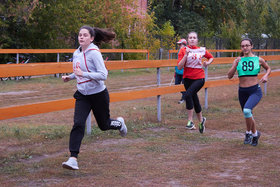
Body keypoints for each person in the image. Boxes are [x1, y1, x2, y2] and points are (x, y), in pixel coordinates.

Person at [61, 25, 127, 170]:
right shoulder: (76, 53)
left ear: (91, 38)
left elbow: (103, 75)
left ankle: (120, 124)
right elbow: (78, 70)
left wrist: (83, 74)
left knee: (104, 125)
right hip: (82, 95)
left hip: (98, 95)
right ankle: (73, 158)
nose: (81, 37)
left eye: (85, 35)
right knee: (78, 124)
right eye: (80, 35)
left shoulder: (94, 53)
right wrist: (70, 77)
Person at [227, 38, 271, 146]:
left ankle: (248, 133)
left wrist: (265, 76)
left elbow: (268, 69)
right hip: (242, 91)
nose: (245, 47)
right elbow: (229, 76)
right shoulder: (238, 60)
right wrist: (234, 65)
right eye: (243, 46)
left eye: (247, 45)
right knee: (248, 114)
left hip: (255, 91)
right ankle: (255, 134)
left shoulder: (258, 59)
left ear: (251, 46)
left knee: (247, 111)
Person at [178, 31, 214, 133]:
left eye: (194, 38)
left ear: (197, 40)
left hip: (199, 78)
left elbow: (211, 57)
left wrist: (207, 63)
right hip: (187, 78)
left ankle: (190, 121)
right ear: (188, 40)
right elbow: (180, 66)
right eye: (190, 38)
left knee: (188, 94)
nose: (192, 39)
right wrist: (185, 55)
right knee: (194, 98)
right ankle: (201, 120)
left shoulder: (201, 50)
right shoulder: (183, 50)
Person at [175, 39, 187, 104]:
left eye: (180, 44)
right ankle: (186, 94)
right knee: (177, 85)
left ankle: (184, 97)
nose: (179, 45)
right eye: (179, 44)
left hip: (184, 71)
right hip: (178, 71)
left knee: (183, 85)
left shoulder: (186, 50)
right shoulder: (179, 51)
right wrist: (175, 70)